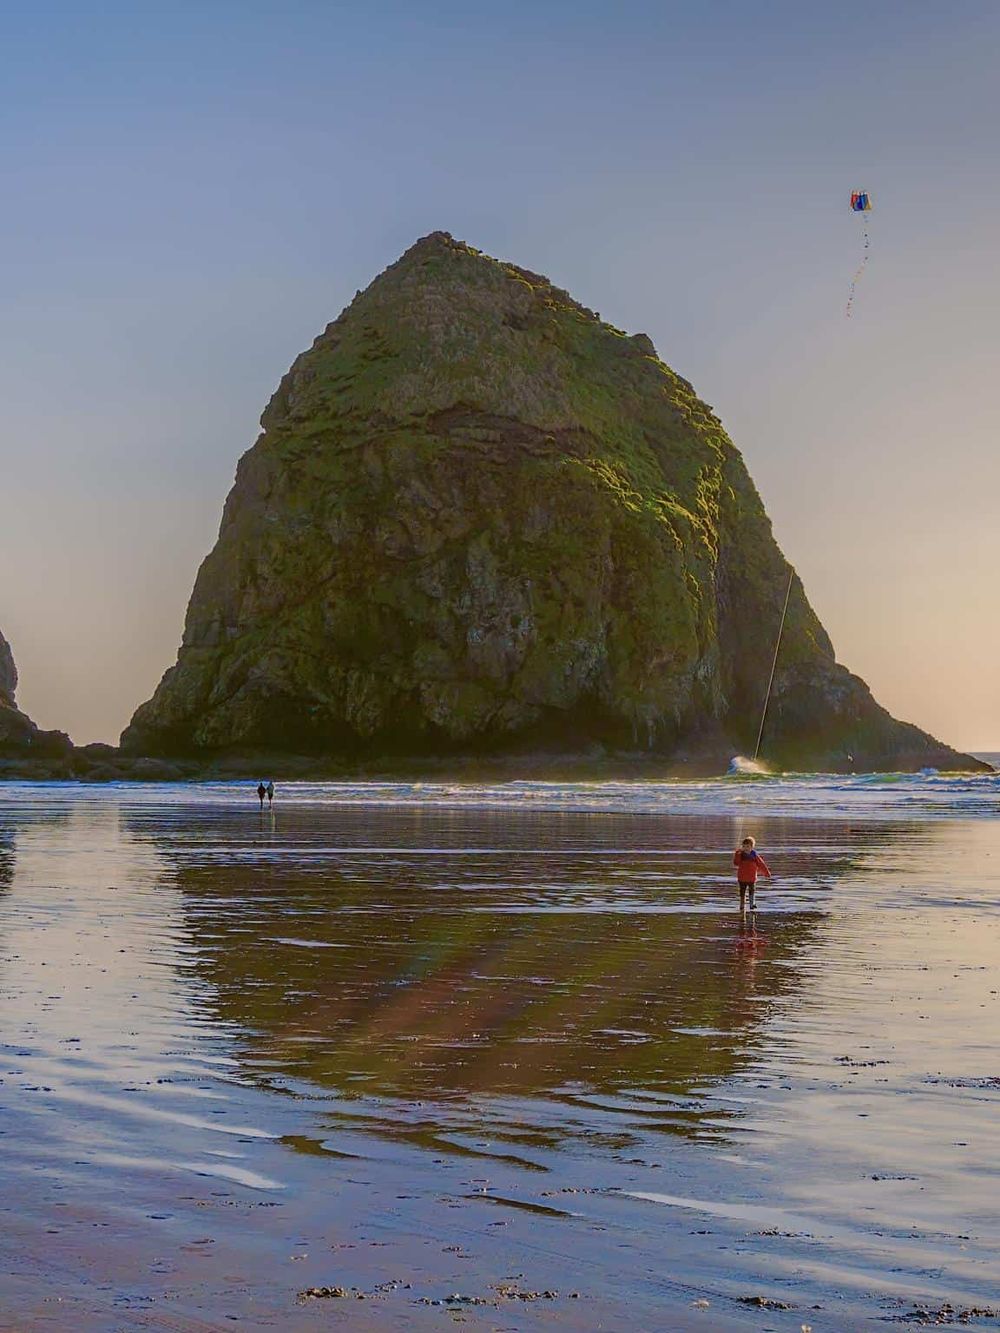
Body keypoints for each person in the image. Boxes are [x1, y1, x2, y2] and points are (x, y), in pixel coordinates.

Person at [733, 835, 771, 913]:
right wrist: (737, 854)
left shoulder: (755, 855)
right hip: (742, 878)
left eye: (747, 846)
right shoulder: (740, 854)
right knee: (742, 892)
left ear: (751, 847)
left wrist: (766, 873)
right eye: (744, 846)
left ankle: (752, 904)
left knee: (752, 891)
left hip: (752, 878)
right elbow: (736, 863)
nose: (745, 848)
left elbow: (761, 864)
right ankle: (742, 905)